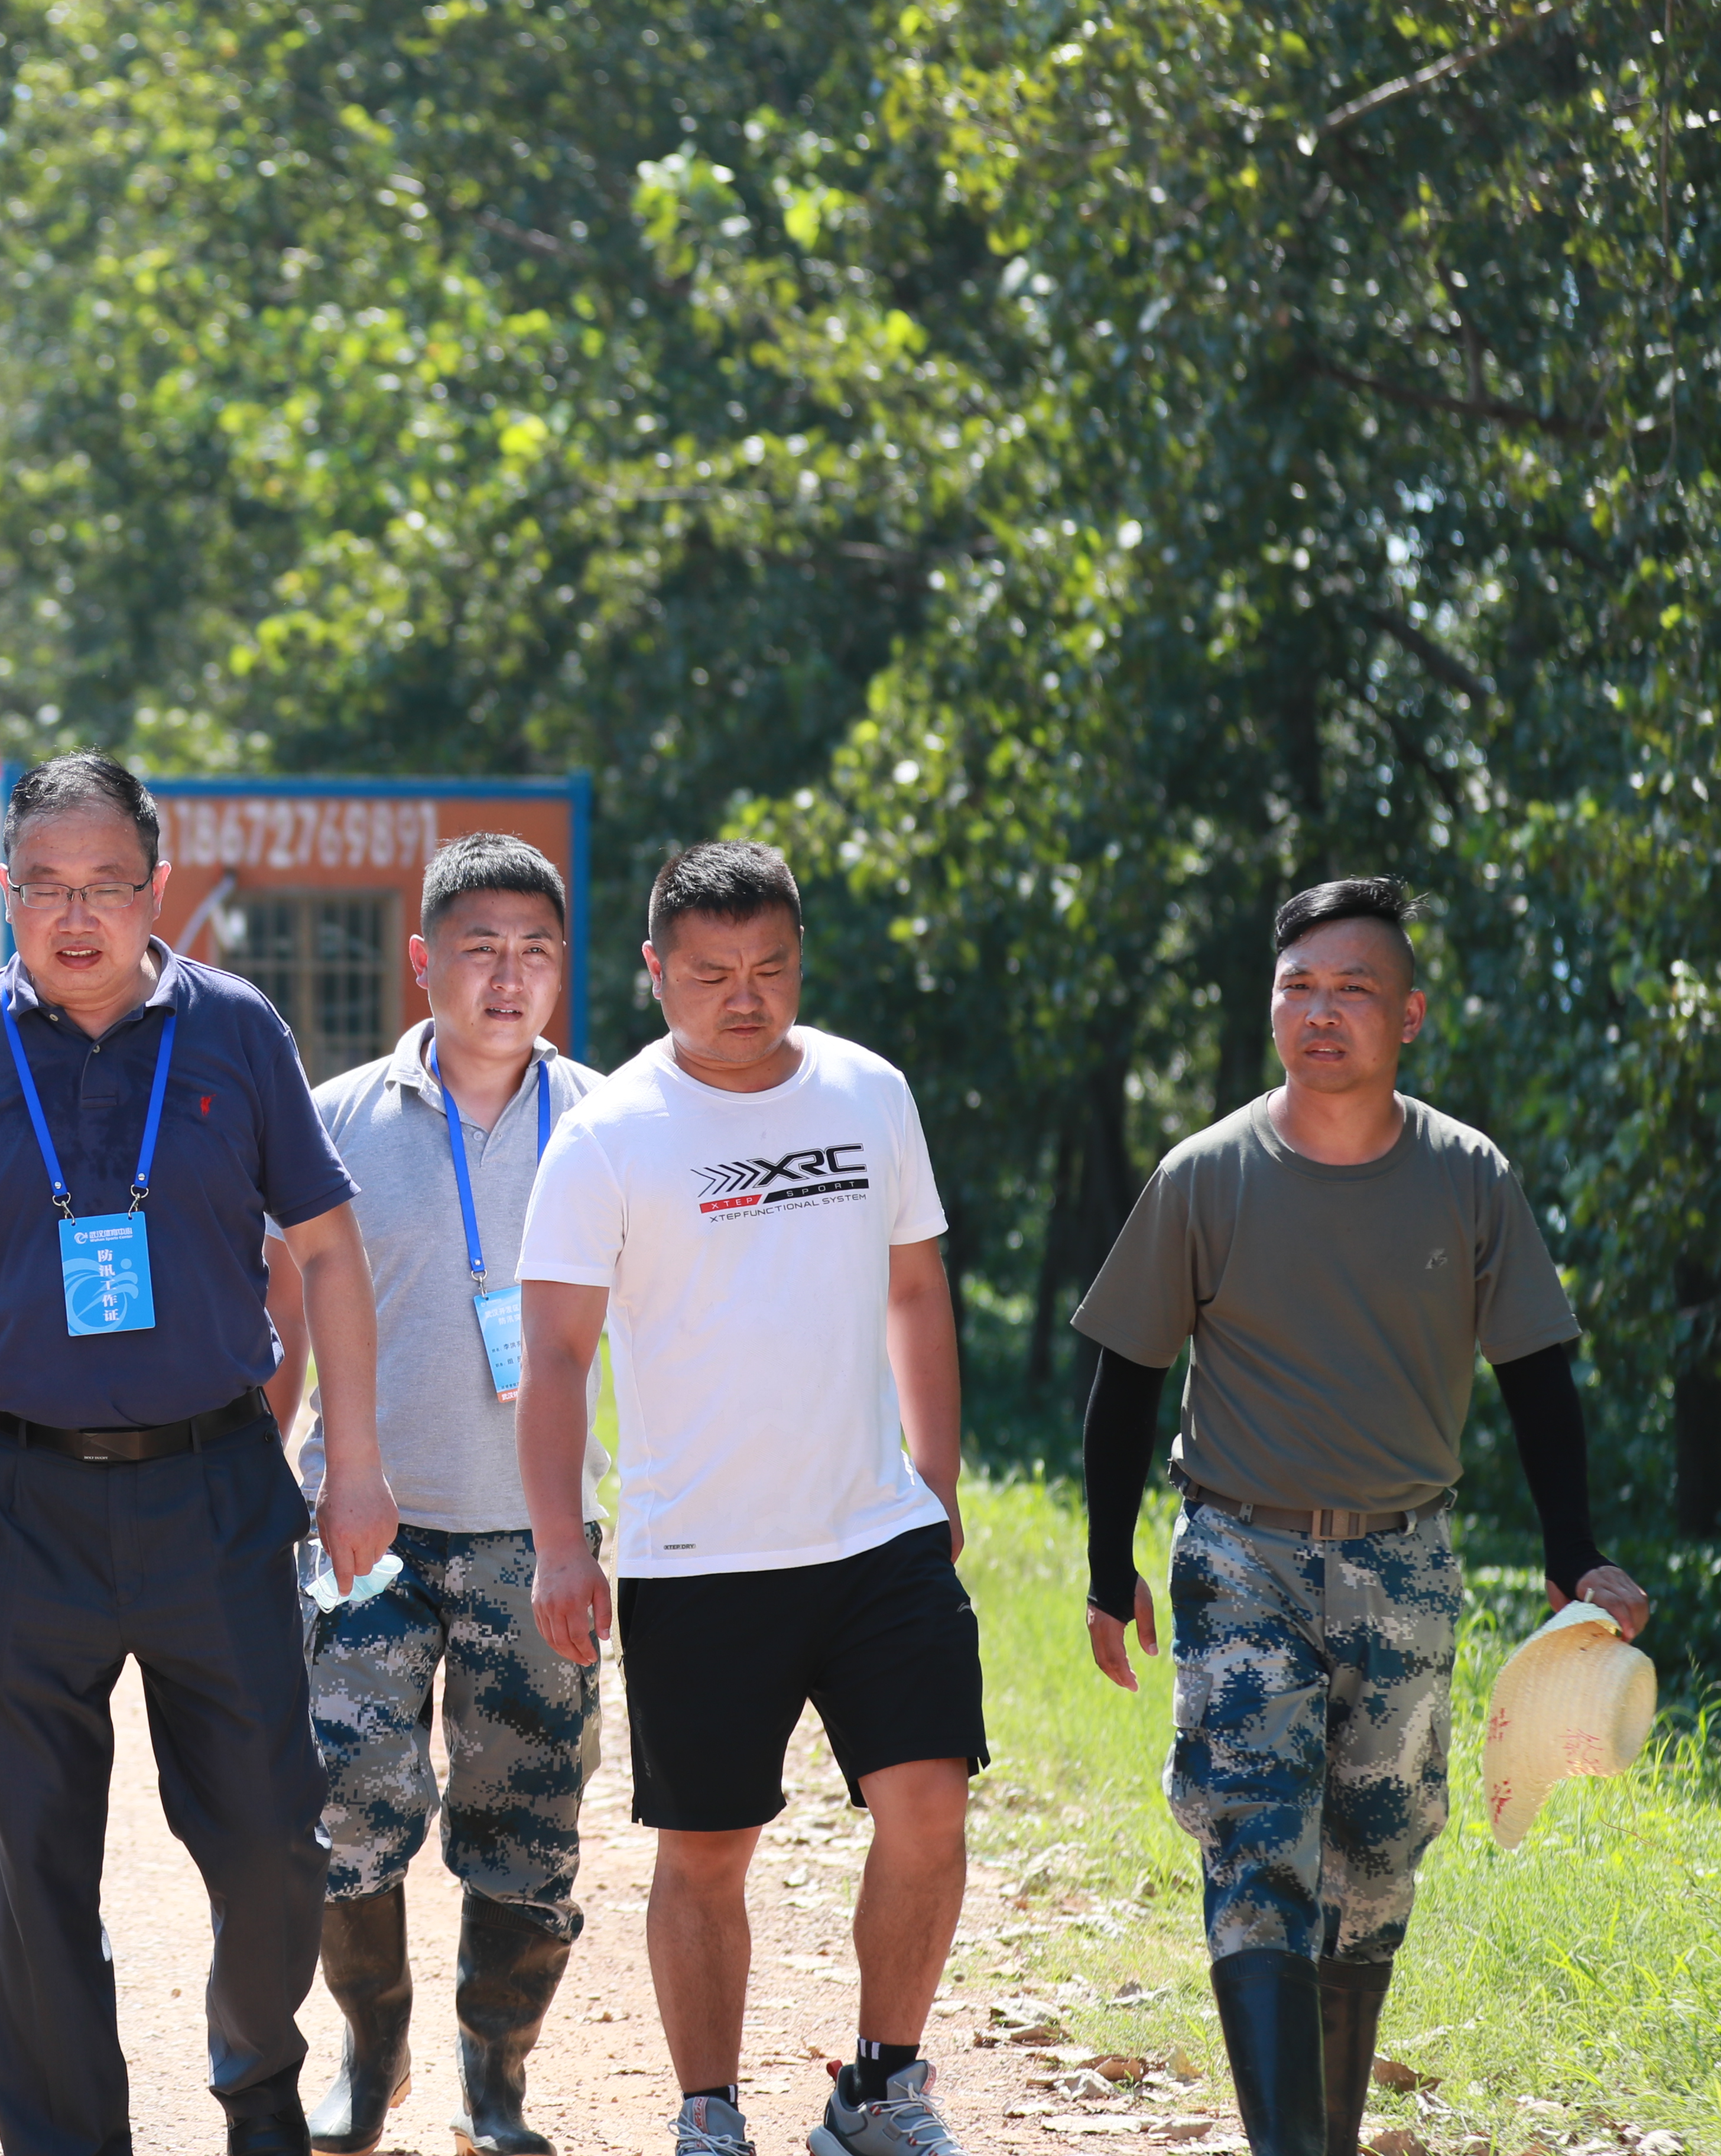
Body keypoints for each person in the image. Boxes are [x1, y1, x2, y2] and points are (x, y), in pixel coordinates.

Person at [0, 752, 398, 2156]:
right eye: (46, 886)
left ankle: (255, 2079)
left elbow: (328, 1252)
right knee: (34, 1866)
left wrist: (352, 1462)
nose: (76, 915)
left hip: (216, 1486)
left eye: (106, 885)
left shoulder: (237, 1030)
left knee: (277, 1834)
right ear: (5, 891)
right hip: (18, 1496)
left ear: (156, 889)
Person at [1073, 877, 1651, 2156]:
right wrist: (1111, 1568)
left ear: (1410, 1016)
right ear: (1270, 1006)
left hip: (1405, 1565)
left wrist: (1575, 1554)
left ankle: (1322, 2138)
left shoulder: (1466, 1178)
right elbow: (1128, 1379)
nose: (1320, 1014)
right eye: (1297, 988)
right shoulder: (1205, 1174)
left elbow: (1537, 1371)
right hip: (1241, 1552)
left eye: (1352, 991)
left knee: (1378, 1869)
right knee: (1253, 1853)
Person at [515, 840, 983, 2156]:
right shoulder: (610, 1135)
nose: (745, 996)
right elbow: (552, 1354)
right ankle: (710, 2110)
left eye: (771, 967)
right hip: (698, 1557)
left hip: (874, 1536)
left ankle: (881, 2085)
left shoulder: (869, 1094)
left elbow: (914, 1289)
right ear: (656, 970)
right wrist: (565, 1542)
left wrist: (935, 1480)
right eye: (712, 973)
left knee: (929, 1808)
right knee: (708, 1855)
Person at [255, 832, 608, 2156]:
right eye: (480, 949)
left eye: (534, 952)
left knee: (528, 1816)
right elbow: (283, 1320)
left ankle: (497, 2079)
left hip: (539, 1535)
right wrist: (261, 1483)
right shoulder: (334, 1122)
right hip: (365, 1530)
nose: (508, 979)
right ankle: (373, 2046)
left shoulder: (608, 1120)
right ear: (423, 964)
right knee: (344, 1807)